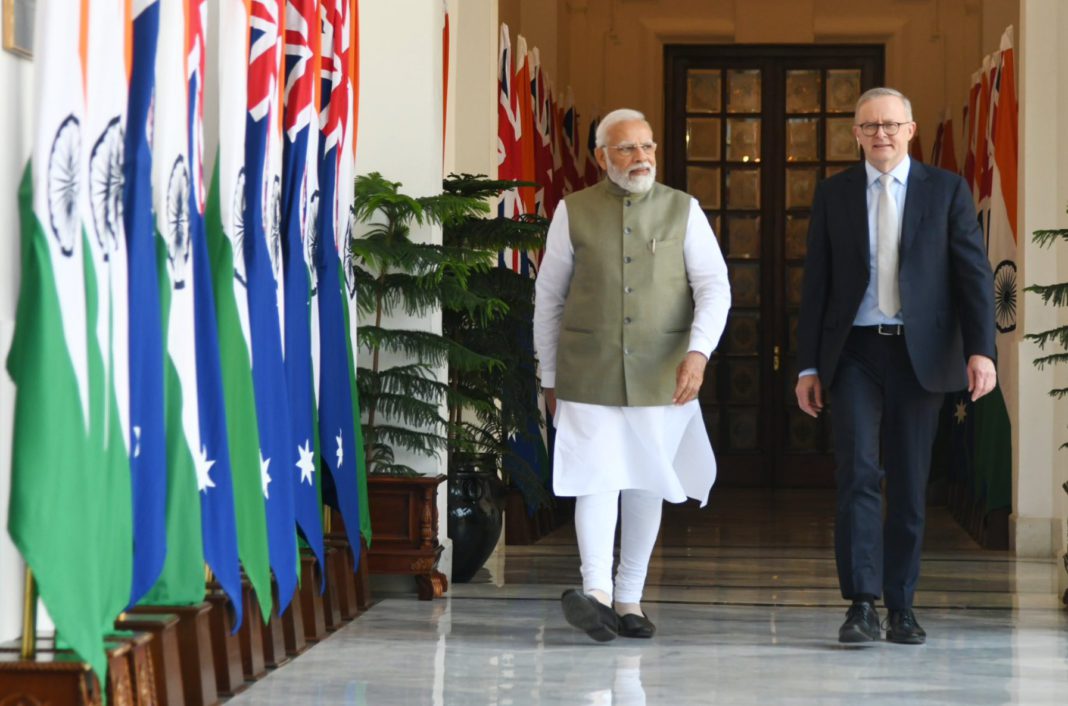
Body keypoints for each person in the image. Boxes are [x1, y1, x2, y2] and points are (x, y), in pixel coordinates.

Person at [795, 87, 996, 645]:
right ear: (855, 134)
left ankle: (901, 605)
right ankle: (862, 603)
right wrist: (807, 365)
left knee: (908, 481)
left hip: (921, 354)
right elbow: (816, 285)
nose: (880, 134)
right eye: (868, 126)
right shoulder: (834, 195)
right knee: (857, 473)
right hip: (855, 351)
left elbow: (973, 276)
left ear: (910, 130)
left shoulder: (947, 190)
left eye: (890, 124)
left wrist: (982, 349)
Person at [533, 108, 731, 642]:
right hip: (586, 369)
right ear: (602, 157)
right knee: (595, 478)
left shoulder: (682, 210)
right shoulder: (572, 211)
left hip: (663, 372)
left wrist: (699, 354)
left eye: (647, 146)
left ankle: (629, 598)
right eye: (626, 148)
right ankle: (595, 593)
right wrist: (548, 375)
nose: (640, 157)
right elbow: (549, 298)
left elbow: (715, 286)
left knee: (645, 480)